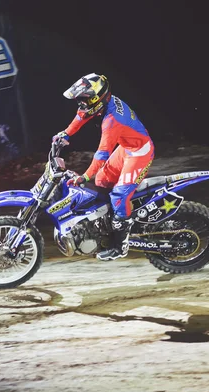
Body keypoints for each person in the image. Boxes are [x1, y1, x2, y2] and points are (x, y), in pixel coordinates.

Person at [52, 73, 154, 261]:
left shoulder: (112, 120)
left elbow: (101, 154)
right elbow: (82, 115)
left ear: (95, 99)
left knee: (119, 196)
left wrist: (85, 176)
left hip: (139, 153)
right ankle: (108, 225)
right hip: (127, 149)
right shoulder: (103, 103)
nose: (81, 104)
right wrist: (65, 134)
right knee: (102, 182)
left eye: (83, 100)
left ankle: (120, 246)